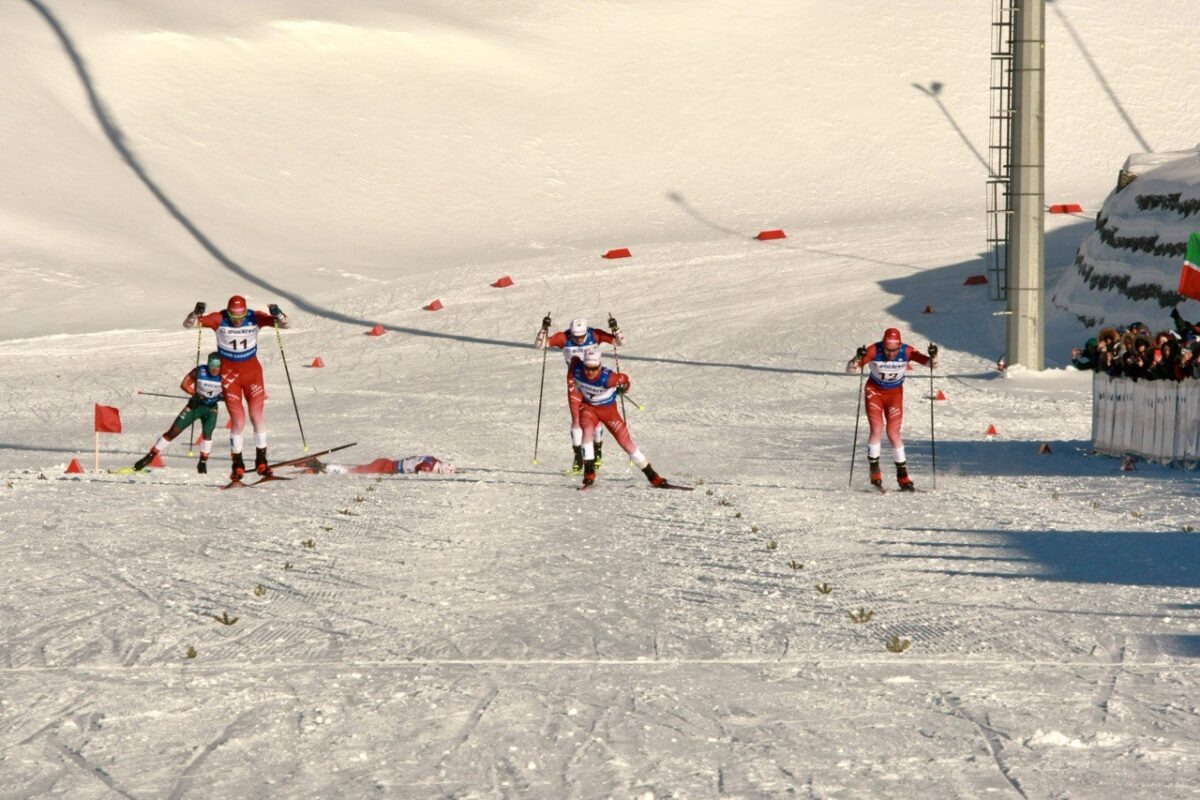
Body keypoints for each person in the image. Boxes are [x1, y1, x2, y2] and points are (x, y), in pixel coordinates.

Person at [184, 295, 290, 480]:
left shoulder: (254, 317)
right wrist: (196, 313)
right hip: (229, 378)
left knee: (257, 416)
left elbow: (285, 325)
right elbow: (188, 325)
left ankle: (261, 460)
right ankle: (237, 463)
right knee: (238, 421)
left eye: (240, 318)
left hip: (253, 375)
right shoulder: (219, 318)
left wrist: (278, 313)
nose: (237, 322)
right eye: (233, 318)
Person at [570, 347, 674, 489]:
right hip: (589, 408)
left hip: (608, 411)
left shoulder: (609, 378)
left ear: (599, 366)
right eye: (587, 368)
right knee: (587, 432)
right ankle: (589, 474)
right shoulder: (576, 367)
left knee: (626, 444)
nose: (589, 372)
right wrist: (576, 385)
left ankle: (653, 476)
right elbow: (574, 360)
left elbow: (626, 380)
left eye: (594, 369)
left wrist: (623, 388)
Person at [846, 327, 937, 491]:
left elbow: (931, 365)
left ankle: (903, 476)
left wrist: (934, 356)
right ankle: (875, 471)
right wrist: (856, 358)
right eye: (888, 350)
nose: (890, 354)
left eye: (894, 350)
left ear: (899, 346)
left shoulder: (907, 351)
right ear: (883, 345)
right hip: (874, 392)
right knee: (877, 429)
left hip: (894, 395)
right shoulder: (874, 350)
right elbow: (851, 370)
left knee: (894, 434)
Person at [536, 316, 624, 472]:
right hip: (575, 383)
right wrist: (543, 329)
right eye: (575, 336)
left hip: (594, 383)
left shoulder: (594, 334)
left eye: (581, 337)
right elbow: (539, 345)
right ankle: (578, 458)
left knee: (596, 420)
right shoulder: (563, 337)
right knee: (576, 420)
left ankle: (597, 452)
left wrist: (615, 328)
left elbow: (618, 342)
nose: (578, 339)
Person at [133, 352, 224, 473]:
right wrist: (195, 394)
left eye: (218, 365)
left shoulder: (226, 374)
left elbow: (233, 393)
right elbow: (184, 384)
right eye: (212, 364)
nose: (214, 368)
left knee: (207, 434)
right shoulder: (200, 371)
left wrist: (223, 396)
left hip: (211, 408)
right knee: (173, 431)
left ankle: (203, 462)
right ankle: (150, 456)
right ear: (207, 363)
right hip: (195, 406)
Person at [302, 455, 456, 475]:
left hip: (386, 463)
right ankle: (323, 468)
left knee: (357, 470)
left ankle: (322, 468)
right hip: (386, 467)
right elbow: (421, 472)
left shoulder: (433, 460)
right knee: (353, 472)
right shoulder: (428, 467)